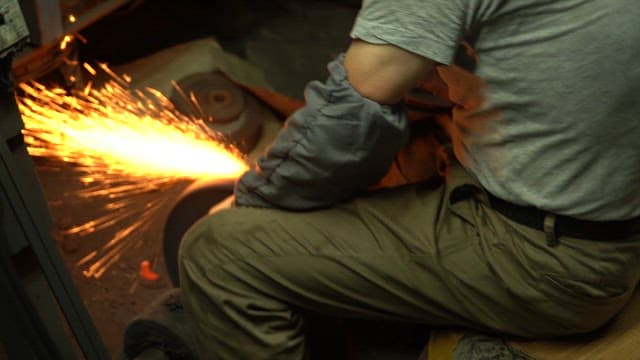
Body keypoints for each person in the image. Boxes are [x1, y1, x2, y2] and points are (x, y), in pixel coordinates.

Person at [178, 1, 640, 359]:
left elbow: (347, 118)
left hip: (546, 262)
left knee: (219, 253)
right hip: (605, 220)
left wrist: (251, 201)